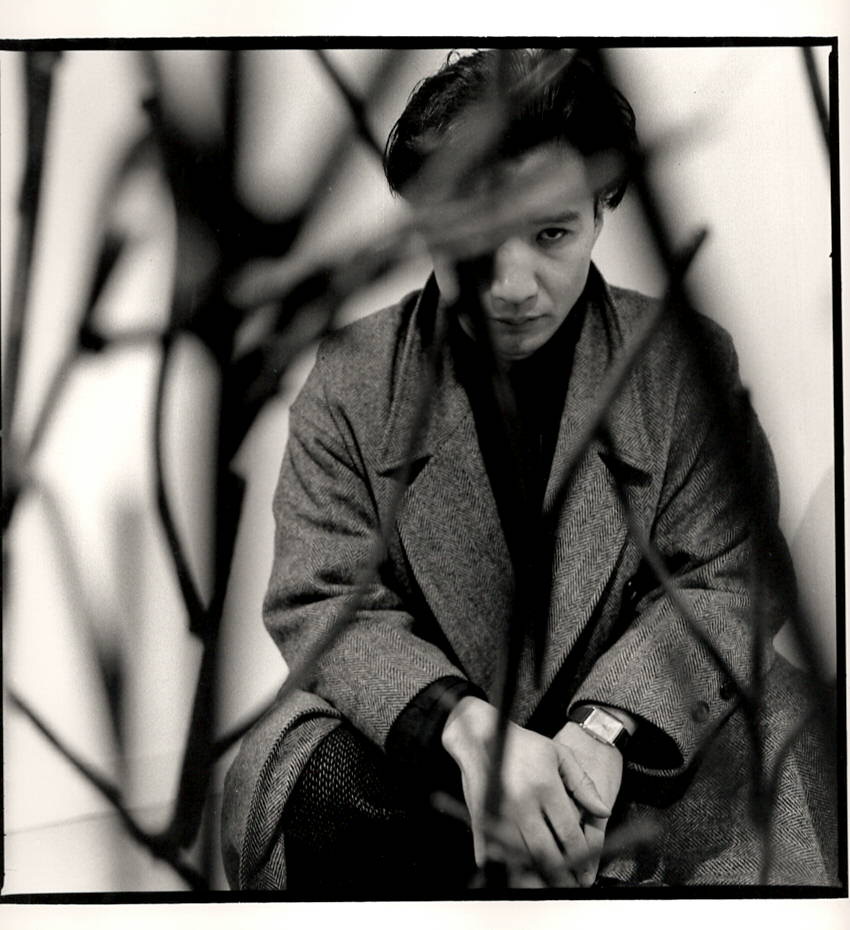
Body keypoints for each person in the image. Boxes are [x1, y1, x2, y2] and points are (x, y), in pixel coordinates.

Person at [221, 49, 836, 891]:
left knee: (789, 749)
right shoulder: (350, 377)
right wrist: (471, 732)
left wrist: (606, 728)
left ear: (602, 210)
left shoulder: (685, 363)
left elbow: (730, 577)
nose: (512, 286)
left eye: (552, 234)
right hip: (425, 755)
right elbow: (322, 598)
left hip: (635, 751)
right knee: (305, 778)